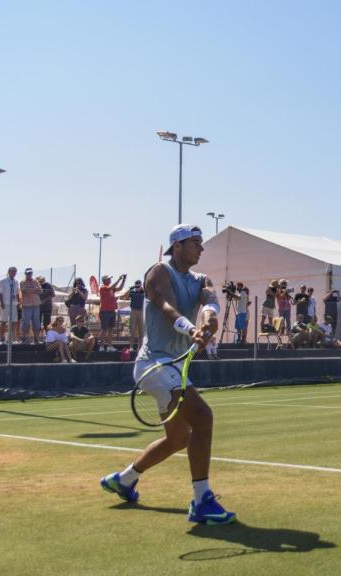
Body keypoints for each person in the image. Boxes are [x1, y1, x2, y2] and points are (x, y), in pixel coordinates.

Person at [101, 223, 235, 525]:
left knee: (178, 439)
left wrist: (209, 323)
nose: (201, 247)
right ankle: (202, 501)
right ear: (177, 246)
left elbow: (210, 303)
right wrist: (192, 329)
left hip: (174, 366)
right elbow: (165, 306)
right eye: (195, 242)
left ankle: (123, 480)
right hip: (153, 364)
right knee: (203, 417)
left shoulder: (202, 279)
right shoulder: (158, 272)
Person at [98, 274, 126, 352]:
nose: (110, 280)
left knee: (110, 329)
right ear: (104, 280)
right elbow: (111, 287)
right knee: (104, 329)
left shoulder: (111, 288)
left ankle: (110, 346)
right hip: (104, 311)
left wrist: (123, 280)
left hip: (112, 310)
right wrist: (119, 279)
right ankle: (101, 346)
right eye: (109, 279)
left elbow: (120, 288)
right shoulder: (102, 287)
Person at [19, 267, 44, 344]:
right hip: (26, 305)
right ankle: (24, 338)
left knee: (36, 322)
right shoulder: (22, 282)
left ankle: (36, 339)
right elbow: (24, 291)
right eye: (28, 273)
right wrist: (35, 289)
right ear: (25, 273)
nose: (30, 274)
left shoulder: (35, 281)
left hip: (36, 304)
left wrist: (32, 290)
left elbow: (41, 291)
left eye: (31, 273)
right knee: (25, 322)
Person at [0, 267, 19, 344]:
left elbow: (17, 293)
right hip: (5, 303)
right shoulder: (2, 281)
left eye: (15, 272)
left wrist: (18, 302)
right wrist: (1, 303)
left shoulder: (16, 282)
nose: (14, 273)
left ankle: (10, 339)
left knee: (13, 322)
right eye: (12, 271)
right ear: (8, 272)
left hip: (14, 304)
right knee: (3, 321)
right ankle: (1, 339)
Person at [127, 280, 145, 349]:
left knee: (141, 331)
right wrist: (130, 289)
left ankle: (140, 347)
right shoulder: (132, 291)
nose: (137, 287)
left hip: (141, 311)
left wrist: (143, 289)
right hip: (133, 311)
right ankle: (131, 347)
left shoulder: (144, 292)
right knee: (132, 330)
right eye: (136, 286)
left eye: (138, 286)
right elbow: (125, 297)